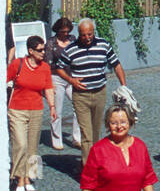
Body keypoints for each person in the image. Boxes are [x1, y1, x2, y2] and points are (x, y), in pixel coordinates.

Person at [54, 18, 127, 164]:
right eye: (83, 35)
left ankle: (96, 162)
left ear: (94, 32)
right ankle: (88, 170)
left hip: (100, 93)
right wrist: (71, 80)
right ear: (78, 34)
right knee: (86, 135)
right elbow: (59, 68)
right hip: (81, 96)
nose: (87, 38)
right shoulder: (71, 49)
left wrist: (123, 86)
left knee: (95, 132)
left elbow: (116, 64)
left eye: (90, 34)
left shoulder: (103, 45)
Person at [7, 35, 56, 191]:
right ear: (30, 51)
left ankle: (30, 176)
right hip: (17, 109)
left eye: (45, 50)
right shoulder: (17, 64)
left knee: (33, 145)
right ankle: (19, 177)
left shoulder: (45, 68)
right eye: (40, 50)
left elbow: (48, 88)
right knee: (20, 144)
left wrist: (52, 107)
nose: (44, 53)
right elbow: (4, 80)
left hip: (36, 109)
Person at [44, 16, 82, 151]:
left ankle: (77, 138)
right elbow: (47, 64)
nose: (65, 34)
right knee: (57, 110)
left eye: (67, 31)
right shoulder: (51, 43)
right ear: (57, 30)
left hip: (71, 77)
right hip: (57, 78)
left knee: (78, 106)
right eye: (63, 32)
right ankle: (56, 139)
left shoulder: (73, 40)